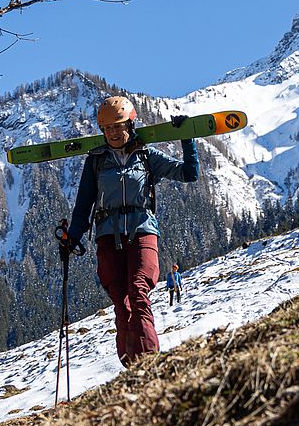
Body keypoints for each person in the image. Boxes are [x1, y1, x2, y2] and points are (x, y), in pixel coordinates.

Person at [59, 96, 199, 366]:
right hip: (108, 238)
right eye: (107, 128)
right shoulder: (96, 161)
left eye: (118, 126)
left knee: (137, 292)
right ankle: (131, 366)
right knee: (121, 304)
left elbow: (188, 173)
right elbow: (83, 206)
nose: (113, 132)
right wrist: (71, 238)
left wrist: (187, 137)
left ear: (130, 124)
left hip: (142, 231)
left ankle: (149, 362)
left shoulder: (146, 156)